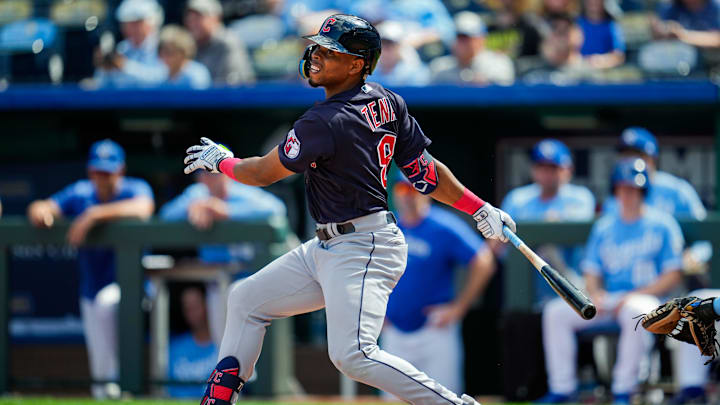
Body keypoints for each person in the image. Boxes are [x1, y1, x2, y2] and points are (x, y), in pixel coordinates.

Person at [182, 14, 517, 405]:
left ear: (357, 64)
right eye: (319, 49)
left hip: (363, 244)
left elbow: (260, 173)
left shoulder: (324, 121)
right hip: (330, 245)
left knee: (352, 355)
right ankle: (219, 399)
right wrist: (478, 207)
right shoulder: (386, 102)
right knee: (246, 299)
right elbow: (425, 172)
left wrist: (221, 160)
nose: (317, 57)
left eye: (332, 52)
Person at [538, 158, 684, 404]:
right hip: (610, 299)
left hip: (650, 299)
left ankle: (623, 390)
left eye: (633, 189)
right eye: (623, 188)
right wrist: (595, 295)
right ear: (615, 190)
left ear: (643, 191)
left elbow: (673, 274)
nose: (628, 194)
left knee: (636, 311)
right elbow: (592, 270)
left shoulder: (663, 224)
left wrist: (634, 295)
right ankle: (562, 388)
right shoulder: (605, 227)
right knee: (555, 313)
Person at [26, 139, 154, 399]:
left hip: (132, 287)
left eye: (108, 171)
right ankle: (108, 395)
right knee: (99, 362)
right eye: (97, 171)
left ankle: (123, 389)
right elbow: (41, 207)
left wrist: (94, 215)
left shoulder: (133, 188)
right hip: (91, 288)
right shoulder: (81, 192)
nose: (102, 177)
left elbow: (144, 208)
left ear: (120, 170)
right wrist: (41, 212)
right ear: (89, 171)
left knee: (108, 305)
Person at [382, 177, 496, 396]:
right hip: (394, 329)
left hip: (435, 328)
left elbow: (484, 261)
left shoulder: (443, 225)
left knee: (445, 397)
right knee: (395, 399)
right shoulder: (388, 227)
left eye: (414, 189)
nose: (408, 195)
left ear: (426, 194)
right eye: (402, 189)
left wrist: (459, 307)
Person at [159, 171, 287, 342]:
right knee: (225, 348)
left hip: (249, 281)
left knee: (250, 347)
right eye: (203, 173)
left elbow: (276, 208)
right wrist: (193, 207)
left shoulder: (243, 191)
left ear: (227, 174)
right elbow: (166, 215)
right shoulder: (197, 194)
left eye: (214, 172)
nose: (208, 178)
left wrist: (228, 211)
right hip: (216, 283)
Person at [501, 139, 595, 308]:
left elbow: (575, 235)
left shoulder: (580, 197)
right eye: (542, 167)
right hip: (528, 293)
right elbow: (498, 249)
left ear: (567, 169)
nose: (547, 173)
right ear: (533, 169)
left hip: (571, 290)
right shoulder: (517, 199)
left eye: (553, 168)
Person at [94, 0, 167, 88]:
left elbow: (163, 79)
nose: (130, 28)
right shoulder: (121, 49)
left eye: (137, 23)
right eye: (126, 24)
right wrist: (104, 68)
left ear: (152, 21)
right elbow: (102, 84)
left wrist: (124, 66)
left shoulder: (164, 47)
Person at [430, 11, 515, 85]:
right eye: (459, 37)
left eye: (466, 37)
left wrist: (487, 85)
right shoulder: (440, 68)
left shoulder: (498, 64)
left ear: (481, 39)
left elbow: (505, 98)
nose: (462, 42)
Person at [184, 0, 256, 85]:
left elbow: (231, 83)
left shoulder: (227, 43)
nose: (193, 23)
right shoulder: (189, 44)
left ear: (216, 18)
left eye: (198, 18)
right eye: (190, 18)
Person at [168, 285, 218, 398]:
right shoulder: (175, 347)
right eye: (187, 308)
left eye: (196, 306)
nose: (192, 313)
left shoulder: (224, 345)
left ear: (207, 305)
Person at [370, 20, 431, 87]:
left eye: (389, 46)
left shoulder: (414, 73)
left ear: (399, 47)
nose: (384, 51)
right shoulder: (367, 74)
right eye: (381, 46)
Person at [158, 25, 211, 89]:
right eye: (161, 51)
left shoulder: (197, 75)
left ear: (183, 53)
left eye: (169, 52)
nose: (163, 56)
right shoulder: (161, 75)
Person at [651, 0, 720, 48]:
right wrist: (663, 31)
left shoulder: (715, 7)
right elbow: (658, 33)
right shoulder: (671, 7)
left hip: (710, 63)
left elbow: (717, 39)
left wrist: (683, 35)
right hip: (677, 59)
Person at [577, 0, 625, 69]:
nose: (593, 2)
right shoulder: (576, 24)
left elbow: (619, 56)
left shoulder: (611, 26)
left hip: (604, 73)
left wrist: (601, 60)